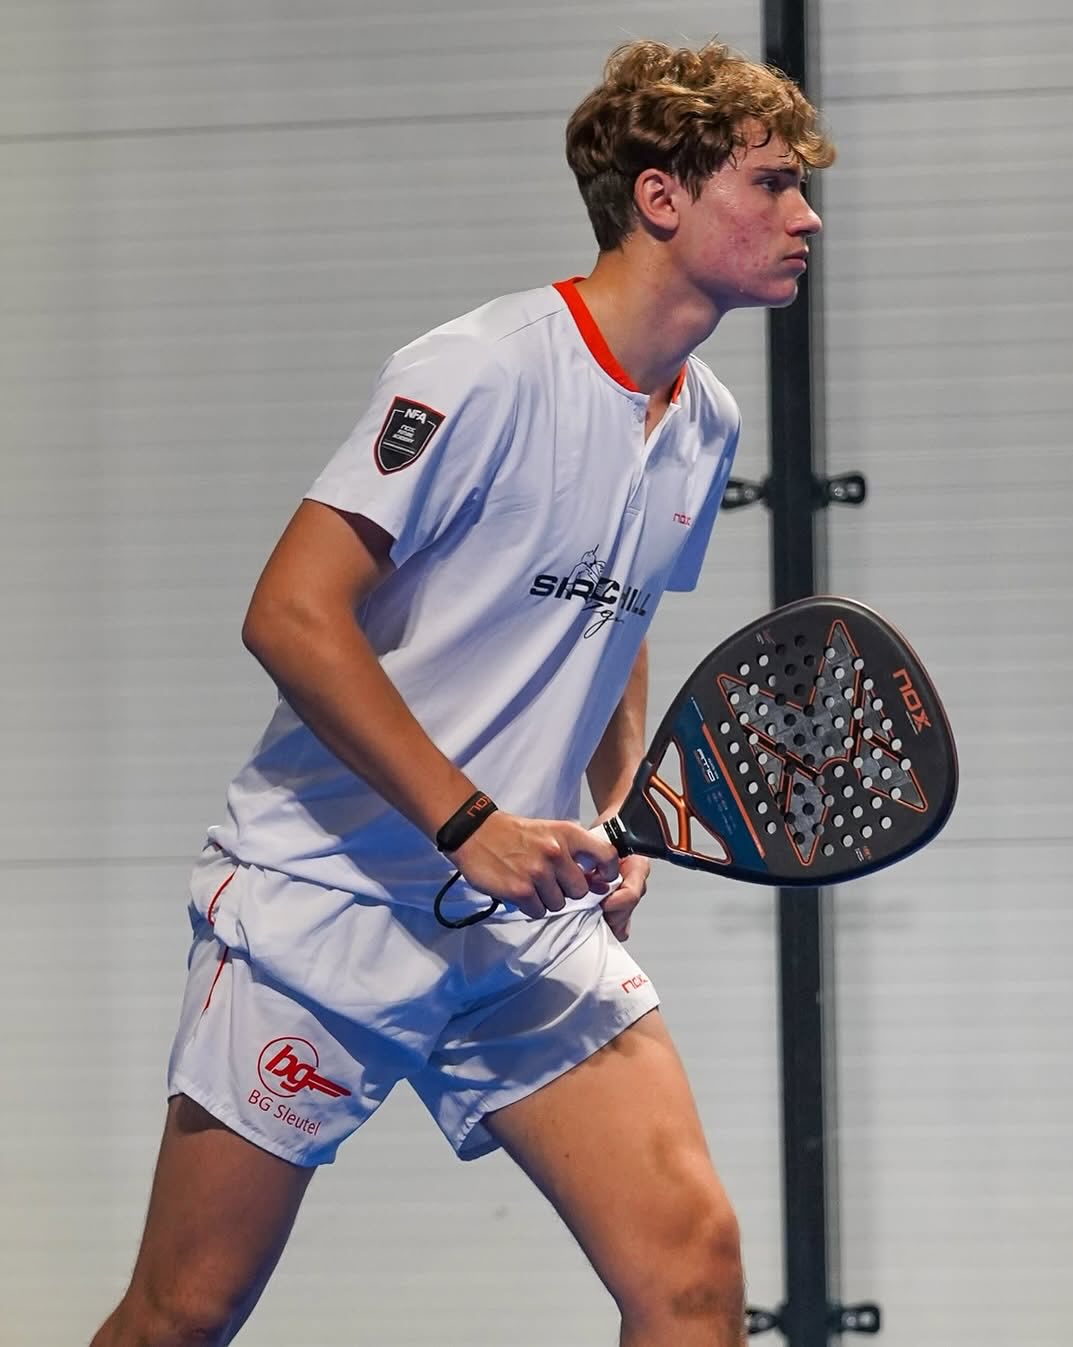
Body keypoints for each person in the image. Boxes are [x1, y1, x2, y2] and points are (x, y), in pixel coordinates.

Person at [92, 38, 834, 1347]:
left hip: (521, 929)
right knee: (181, 1316)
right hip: (325, 905)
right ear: (662, 197)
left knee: (693, 1275)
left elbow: (618, 619)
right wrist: (469, 823)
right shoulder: (481, 368)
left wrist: (611, 812)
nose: (805, 215)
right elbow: (290, 614)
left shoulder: (705, 417)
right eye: (772, 185)